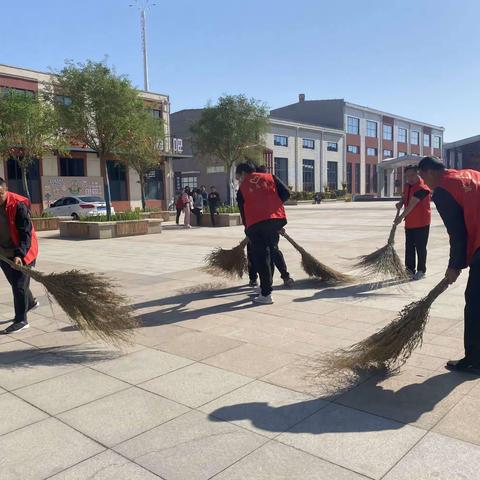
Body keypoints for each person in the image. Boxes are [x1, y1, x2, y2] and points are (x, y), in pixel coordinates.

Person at [418, 155, 480, 373]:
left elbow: (457, 232)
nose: (423, 182)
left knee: (475, 304)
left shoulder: (443, 190)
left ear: (430, 172)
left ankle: (475, 360)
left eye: (422, 176)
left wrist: (454, 266)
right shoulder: (470, 174)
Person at [236, 162, 290, 304]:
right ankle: (266, 288)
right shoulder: (270, 177)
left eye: (238, 177)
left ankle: (266, 294)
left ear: (242, 173)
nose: (239, 180)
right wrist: (272, 207)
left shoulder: (242, 188)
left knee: (261, 258)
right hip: (275, 220)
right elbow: (286, 193)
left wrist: (248, 230)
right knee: (271, 253)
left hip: (256, 225)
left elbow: (244, 213)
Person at [0, 178, 39, 334]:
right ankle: (29, 303)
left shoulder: (17, 204)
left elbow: (25, 233)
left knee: (19, 284)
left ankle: (21, 320)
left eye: (0, 194)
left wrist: (19, 255)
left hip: (23, 251)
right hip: (4, 252)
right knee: (16, 283)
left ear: (5, 189)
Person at [246, 165, 294, 288]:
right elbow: (286, 193)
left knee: (257, 252)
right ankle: (282, 277)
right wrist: (274, 209)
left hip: (257, 225)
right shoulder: (270, 182)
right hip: (271, 223)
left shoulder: (250, 185)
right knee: (272, 250)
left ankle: (259, 280)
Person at [394, 165, 431, 280]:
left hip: (421, 222)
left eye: (412, 175)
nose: (410, 178)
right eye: (407, 176)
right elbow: (405, 198)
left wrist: (400, 217)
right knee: (409, 246)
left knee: (420, 247)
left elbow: (412, 205)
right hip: (410, 222)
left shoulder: (423, 187)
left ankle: (421, 270)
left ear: (417, 173)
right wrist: (400, 202)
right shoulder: (407, 185)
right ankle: (409, 269)